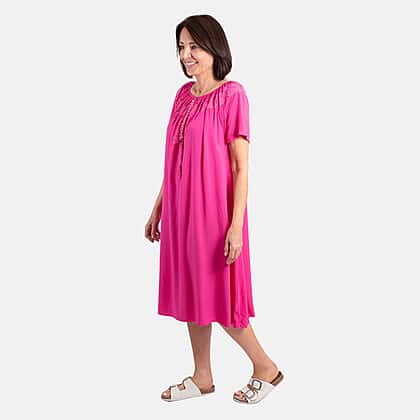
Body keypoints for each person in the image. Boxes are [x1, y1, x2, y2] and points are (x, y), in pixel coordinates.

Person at [145, 14, 284, 404]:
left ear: (214, 47)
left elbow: (241, 167)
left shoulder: (232, 95)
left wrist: (235, 225)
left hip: (214, 214)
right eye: (181, 47)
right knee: (192, 291)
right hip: (180, 211)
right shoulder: (181, 96)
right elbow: (174, 160)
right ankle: (202, 376)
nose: (186, 55)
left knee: (218, 294)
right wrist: (158, 207)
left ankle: (266, 367)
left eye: (194, 46)